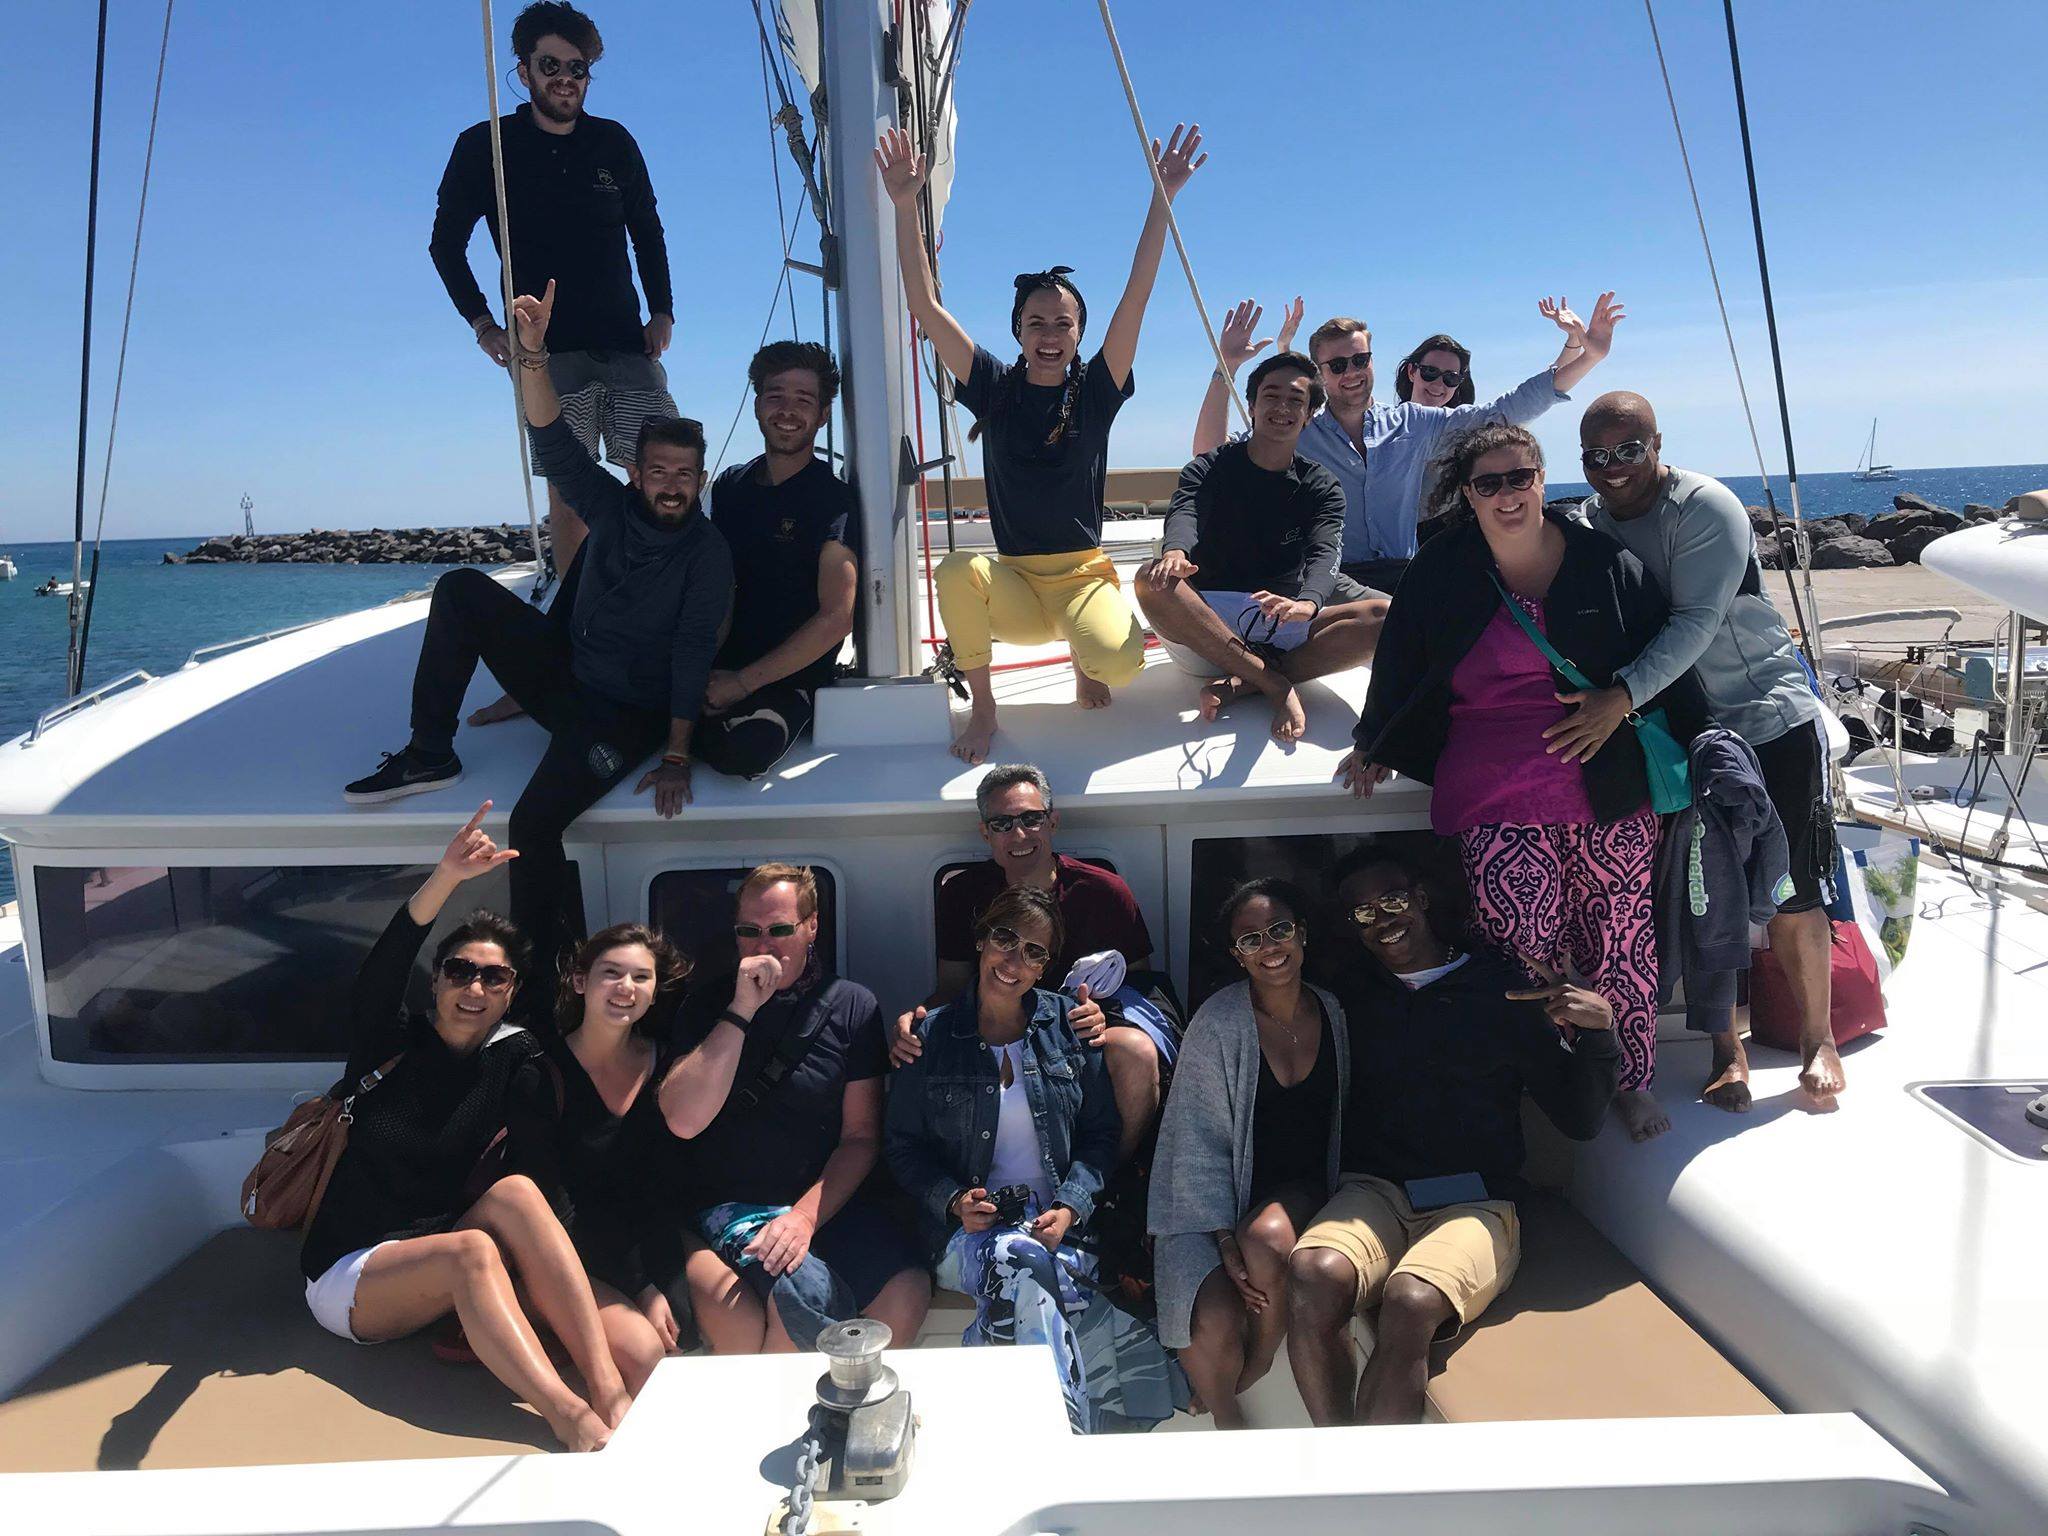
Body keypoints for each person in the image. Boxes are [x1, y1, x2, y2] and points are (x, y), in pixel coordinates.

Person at [345, 281, 733, 1000]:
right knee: (462, 587)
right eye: (658, 472)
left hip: (624, 715)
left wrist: (677, 753)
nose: (671, 486)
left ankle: (548, 987)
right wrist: (532, 354)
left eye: (684, 474)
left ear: (700, 478)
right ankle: (429, 752)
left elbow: (691, 654)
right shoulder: (612, 507)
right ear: (635, 474)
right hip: (568, 678)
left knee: (534, 821)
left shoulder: (706, 556)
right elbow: (552, 439)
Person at [1339, 422, 1706, 1142]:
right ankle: (1549, 1081)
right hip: (1495, 788)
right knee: (1518, 949)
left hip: (1606, 783)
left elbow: (1662, 655)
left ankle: (1628, 1080)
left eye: (1520, 477)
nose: (1507, 494)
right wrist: (1373, 741)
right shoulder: (1443, 568)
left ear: (1541, 478)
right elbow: (1402, 659)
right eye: (1489, 483)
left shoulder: (1603, 561)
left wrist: (1651, 717)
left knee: (1619, 939)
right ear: (1468, 494)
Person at [298, 804, 629, 1452]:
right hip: (351, 1272)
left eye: (493, 977)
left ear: (510, 993)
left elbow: (545, 1172)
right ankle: (570, 1417)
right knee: (471, 1251)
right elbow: (382, 969)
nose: (474, 987)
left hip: (439, 1248)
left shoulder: (513, 1059)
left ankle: (608, 1388)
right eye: (459, 970)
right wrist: (447, 875)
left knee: (519, 1194)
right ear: (437, 981)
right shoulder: (388, 1043)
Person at [875, 122, 1208, 763]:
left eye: (1062, 323)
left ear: (1079, 333)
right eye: (1036, 323)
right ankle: (985, 707)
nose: (1049, 334)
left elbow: (1137, 296)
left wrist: (1162, 197)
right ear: (1019, 332)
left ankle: (1087, 656)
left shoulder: (1098, 390)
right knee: (955, 570)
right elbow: (924, 306)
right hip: (1017, 585)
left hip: (1082, 577)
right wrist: (904, 202)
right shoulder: (992, 387)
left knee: (1120, 665)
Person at [1573, 391, 1845, 1110]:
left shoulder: (1705, 507)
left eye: (1628, 450)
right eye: (1596, 455)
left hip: (1766, 717)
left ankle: (1818, 1038)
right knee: (1704, 893)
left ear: (1658, 443)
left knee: (1792, 888)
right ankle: (1728, 1050)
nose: (1613, 467)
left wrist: (1619, 697)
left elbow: (1695, 620)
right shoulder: (1591, 522)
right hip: (1686, 736)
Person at [1286, 845, 1621, 1425]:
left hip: (1477, 1199)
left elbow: (1579, 1119)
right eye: (1364, 913)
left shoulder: (1501, 991)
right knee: (1313, 1274)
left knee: (1410, 1301)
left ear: (1421, 899)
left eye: (1393, 901)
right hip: (1375, 1190)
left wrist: (1599, 1034)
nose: (1383, 921)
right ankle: (1340, 1456)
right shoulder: (1347, 996)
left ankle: (1368, 1476)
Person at [885, 886, 1183, 1433]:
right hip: (961, 1235)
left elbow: (1100, 1136)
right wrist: (953, 1201)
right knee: (1023, 1262)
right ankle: (1070, 1435)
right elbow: (901, 1147)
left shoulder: (1070, 1026)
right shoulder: (930, 1036)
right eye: (1005, 938)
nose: (1014, 960)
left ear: (1046, 967)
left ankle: (1002, 1429)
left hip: (1059, 1229)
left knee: (1030, 1271)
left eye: (1034, 952)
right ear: (981, 940)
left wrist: (1070, 1207)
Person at [430, 2, 674, 577]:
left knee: (658, 470)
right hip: (545, 352)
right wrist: (482, 324)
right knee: (569, 486)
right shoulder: (485, 147)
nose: (565, 78)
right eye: (550, 65)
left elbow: (647, 230)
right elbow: (445, 245)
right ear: (524, 71)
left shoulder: (614, 142)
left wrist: (662, 309)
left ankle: (654, 594)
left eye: (577, 67)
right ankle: (575, 606)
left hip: (624, 341)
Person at [655, 864, 929, 1353]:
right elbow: (681, 1120)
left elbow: (860, 1137)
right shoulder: (705, 1005)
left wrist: (803, 1219)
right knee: (798, 1295)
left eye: (780, 929)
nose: (764, 945)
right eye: (749, 931)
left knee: (906, 1291)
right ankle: (785, 1404)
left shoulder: (852, 1006)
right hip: (731, 1202)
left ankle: (854, 1396)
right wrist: (741, 1009)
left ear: (811, 927)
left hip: (824, 1203)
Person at [1194, 294, 1622, 595]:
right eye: (1338, 365)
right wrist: (1225, 367)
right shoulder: (1298, 434)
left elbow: (1505, 412)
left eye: (1360, 360)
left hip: (1407, 577)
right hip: (1332, 582)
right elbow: (1210, 458)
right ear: (1319, 373)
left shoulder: (1413, 424)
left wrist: (1589, 357)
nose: (1351, 372)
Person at [890, 764, 1168, 1163]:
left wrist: (1104, 1013)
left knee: (1136, 1051)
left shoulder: (1104, 891)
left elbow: (1141, 983)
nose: (1018, 834)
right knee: (918, 1045)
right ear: (985, 832)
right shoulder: (962, 894)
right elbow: (952, 987)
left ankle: (1107, 1181)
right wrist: (915, 1020)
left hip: (1078, 1033)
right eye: (1002, 823)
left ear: (1052, 822)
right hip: (995, 1029)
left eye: (1031, 819)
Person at [1149, 880, 1347, 1429]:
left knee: (1264, 1241)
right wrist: (1221, 1238)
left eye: (1279, 930)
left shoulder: (1333, 1011)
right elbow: (1194, 1140)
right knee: (1207, 1311)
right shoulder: (1218, 1022)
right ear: (1237, 955)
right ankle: (1228, 1421)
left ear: (1301, 934)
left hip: (1309, 1188)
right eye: (1251, 939)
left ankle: (1262, 1354)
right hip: (1214, 1201)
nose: (1270, 947)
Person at [1137, 352, 1388, 743]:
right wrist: (1175, 553)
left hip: (1280, 622)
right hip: (1206, 627)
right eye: (1271, 396)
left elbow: (1325, 551)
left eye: (1295, 400)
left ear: (1309, 415)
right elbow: (1186, 512)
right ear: (1252, 405)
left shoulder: (1321, 486)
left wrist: (1309, 603)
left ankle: (1244, 684)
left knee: (1385, 616)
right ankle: (1274, 684)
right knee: (1149, 579)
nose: (1282, 407)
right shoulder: (1209, 468)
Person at [514, 921, 693, 1393]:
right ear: (580, 982)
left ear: (654, 991)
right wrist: (640, 1286)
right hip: (570, 1252)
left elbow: (661, 1185)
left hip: (648, 1240)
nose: (625, 987)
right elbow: (552, 1207)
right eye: (611, 973)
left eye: (641, 976)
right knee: (648, 1354)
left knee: (734, 1321)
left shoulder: (667, 1064)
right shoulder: (541, 1076)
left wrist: (660, 1278)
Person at [695, 341, 860, 778]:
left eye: (804, 399)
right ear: (757, 405)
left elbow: (837, 617)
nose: (788, 410)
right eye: (776, 396)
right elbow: (713, 584)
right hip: (719, 663)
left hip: (787, 678)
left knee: (745, 752)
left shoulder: (833, 499)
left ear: (823, 415)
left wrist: (742, 683)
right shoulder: (730, 487)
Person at [1395, 334, 1478, 409]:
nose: (1438, 384)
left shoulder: (1468, 421)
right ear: (1412, 372)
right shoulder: (1389, 419)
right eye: (1431, 371)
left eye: (1451, 377)